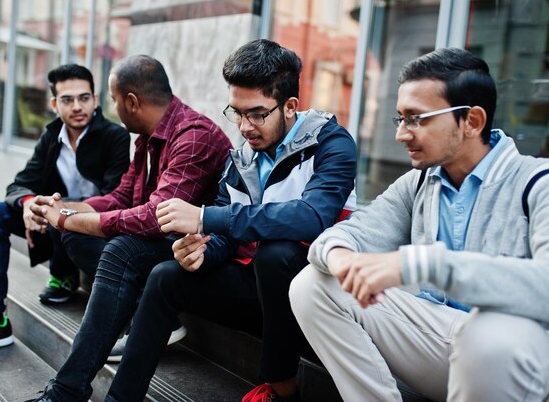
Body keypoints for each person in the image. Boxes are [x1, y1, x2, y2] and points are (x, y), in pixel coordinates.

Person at [289, 47, 549, 402]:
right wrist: (343, 260)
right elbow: (346, 234)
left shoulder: (543, 182)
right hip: (442, 344)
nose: (401, 134)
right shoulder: (420, 182)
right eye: (400, 119)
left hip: (518, 360)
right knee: (312, 285)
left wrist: (422, 263)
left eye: (417, 118)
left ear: (472, 121)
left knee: (486, 335)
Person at [98, 39, 358, 402]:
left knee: (276, 252)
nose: (244, 126)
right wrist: (202, 250)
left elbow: (312, 217)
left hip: (315, 296)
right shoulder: (241, 158)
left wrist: (206, 217)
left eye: (256, 114)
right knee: (165, 276)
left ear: (290, 106)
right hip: (257, 292)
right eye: (236, 112)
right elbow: (223, 234)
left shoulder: (332, 144)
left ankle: (282, 391)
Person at [24, 54, 233, 402]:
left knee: (120, 248)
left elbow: (155, 218)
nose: (112, 107)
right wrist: (62, 210)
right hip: (162, 241)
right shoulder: (147, 138)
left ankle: (66, 391)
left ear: (131, 102)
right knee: (77, 234)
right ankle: (143, 312)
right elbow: (123, 197)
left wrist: (68, 217)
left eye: (113, 99)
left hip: (201, 249)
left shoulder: (193, 135)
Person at [0, 64, 130, 358]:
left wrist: (53, 207)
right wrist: (29, 205)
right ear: (54, 104)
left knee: (57, 212)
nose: (77, 107)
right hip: (54, 225)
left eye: (84, 98)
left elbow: (117, 198)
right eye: (67, 99)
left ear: (96, 100)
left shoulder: (115, 137)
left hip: (96, 233)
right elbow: (19, 185)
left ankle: (65, 275)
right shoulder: (50, 137)